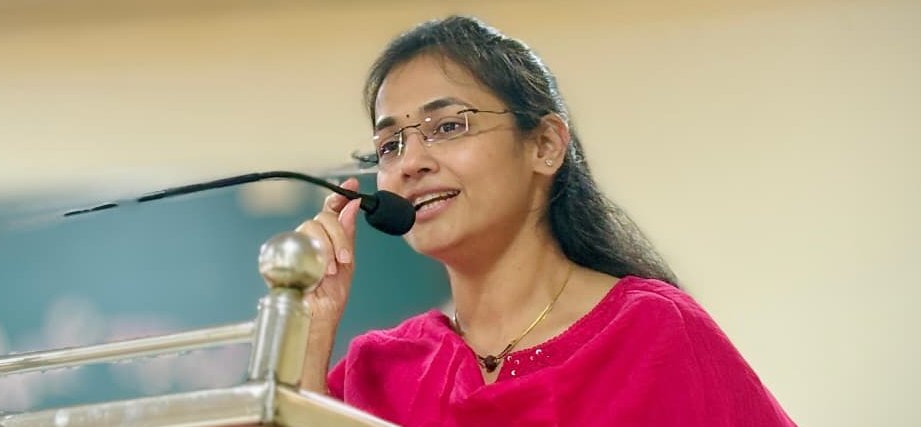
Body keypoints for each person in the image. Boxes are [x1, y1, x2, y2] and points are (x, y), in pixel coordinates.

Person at [294, 16, 795, 426]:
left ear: (545, 145)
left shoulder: (653, 332)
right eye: (390, 146)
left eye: (448, 126)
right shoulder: (379, 369)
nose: (410, 163)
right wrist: (311, 331)